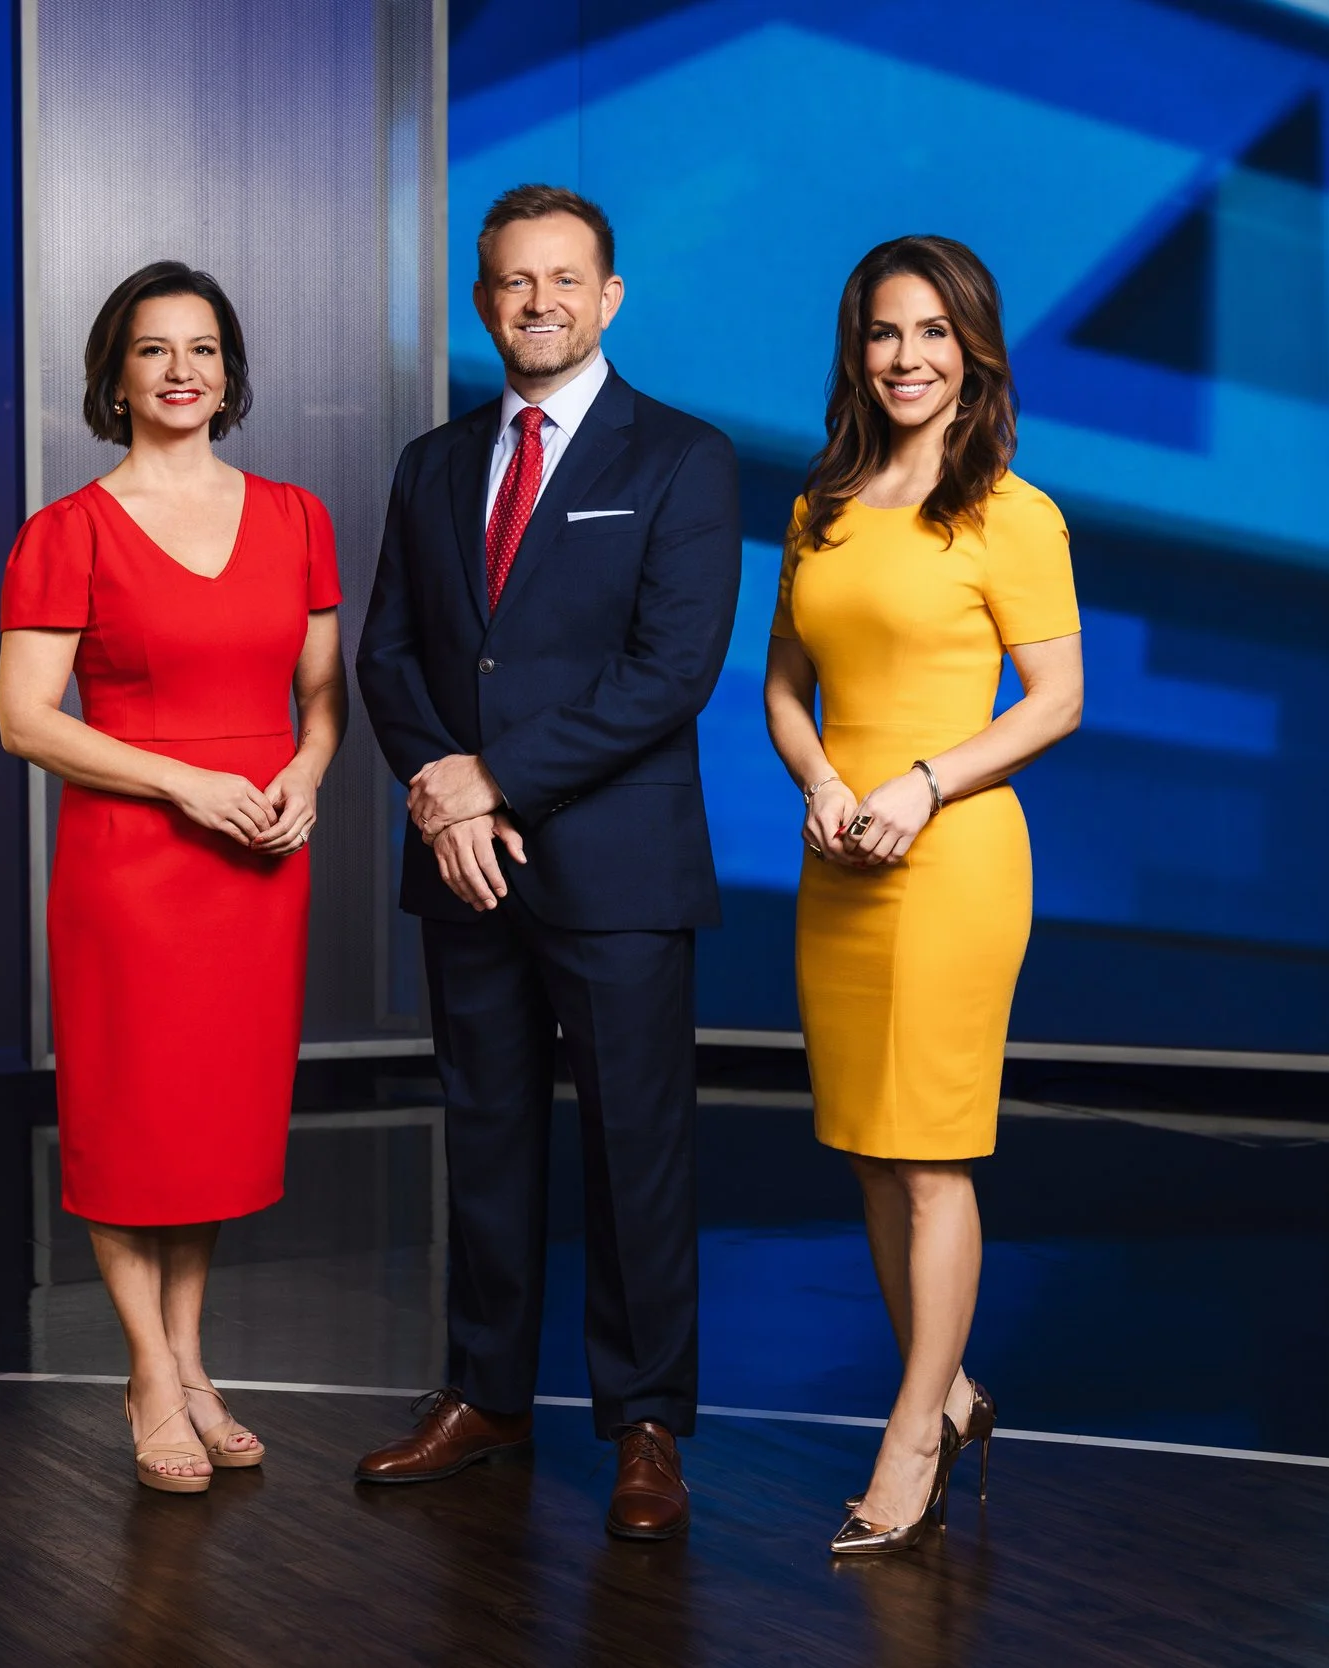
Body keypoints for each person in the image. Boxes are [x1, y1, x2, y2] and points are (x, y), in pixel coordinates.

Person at [354, 184, 740, 1540]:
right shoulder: (433, 462)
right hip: (469, 869)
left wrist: (494, 777)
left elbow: (670, 674)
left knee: (638, 1153)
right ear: (483, 301)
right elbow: (387, 655)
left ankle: (645, 1427)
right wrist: (448, 805)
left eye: (564, 280)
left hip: (617, 871)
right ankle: (485, 1395)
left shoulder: (681, 459)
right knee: (489, 1138)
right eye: (514, 282)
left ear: (610, 296)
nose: (539, 303)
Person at [0, 261, 346, 1494]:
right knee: (129, 1120)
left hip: (258, 856)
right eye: (154, 350)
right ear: (116, 375)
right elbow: (25, 720)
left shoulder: (300, 516)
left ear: (229, 371)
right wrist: (180, 783)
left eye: (202, 348)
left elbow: (319, 698)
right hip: (134, 862)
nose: (182, 370)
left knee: (206, 1123)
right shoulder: (67, 530)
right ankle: (149, 1372)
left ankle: (192, 1363)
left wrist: (306, 772)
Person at [762, 235, 1083, 1555]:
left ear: (976, 351)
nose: (907, 358)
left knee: (931, 1153)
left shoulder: (1014, 511)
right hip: (838, 860)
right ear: (860, 349)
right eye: (887, 334)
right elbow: (785, 686)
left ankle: (912, 1437)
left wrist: (918, 785)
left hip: (951, 861)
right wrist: (824, 784)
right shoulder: (820, 504)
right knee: (868, 1147)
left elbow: (1058, 700)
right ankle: (944, 1387)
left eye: (934, 334)